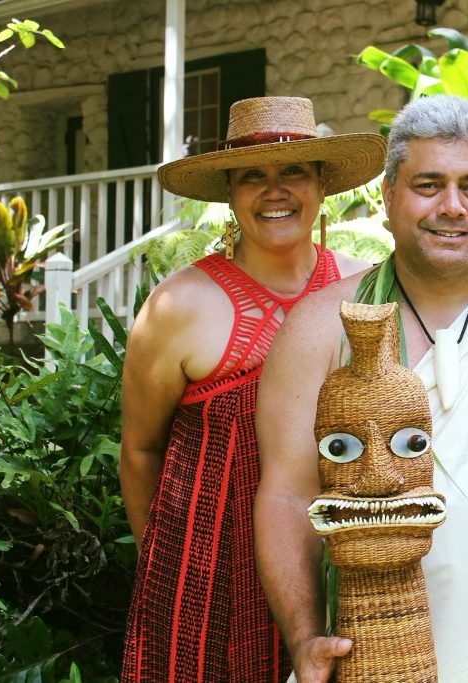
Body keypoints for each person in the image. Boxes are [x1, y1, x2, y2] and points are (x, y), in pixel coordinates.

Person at [253, 94, 468, 683]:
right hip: (371, 646)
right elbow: (288, 497)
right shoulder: (321, 327)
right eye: (428, 185)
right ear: (389, 197)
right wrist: (305, 637)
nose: (452, 207)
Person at [119, 96, 385, 682]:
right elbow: (140, 449)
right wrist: (168, 567)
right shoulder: (177, 306)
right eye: (252, 177)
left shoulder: (362, 290)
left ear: (321, 185)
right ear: (230, 194)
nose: (275, 191)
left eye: (293, 170)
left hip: (337, 571)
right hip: (205, 578)